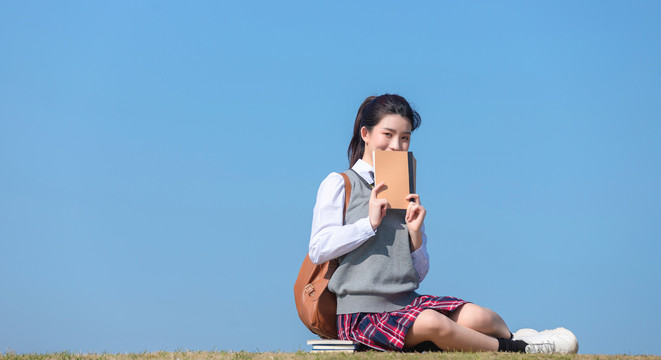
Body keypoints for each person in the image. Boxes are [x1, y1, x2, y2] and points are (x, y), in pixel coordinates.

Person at [308, 94, 579, 354]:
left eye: (405, 138)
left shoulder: (406, 187)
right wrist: (368, 224)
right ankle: (519, 350)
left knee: (484, 318)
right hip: (361, 314)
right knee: (432, 323)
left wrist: (415, 236)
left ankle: (516, 336)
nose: (396, 145)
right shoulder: (340, 183)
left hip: (407, 302)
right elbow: (318, 249)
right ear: (366, 134)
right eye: (387, 134)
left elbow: (419, 273)